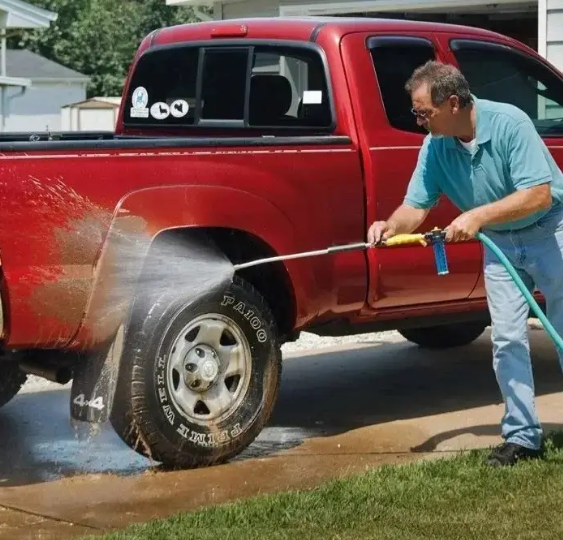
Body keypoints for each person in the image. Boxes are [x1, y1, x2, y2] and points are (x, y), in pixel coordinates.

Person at [368, 60, 563, 467]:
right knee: (508, 339)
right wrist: (390, 225)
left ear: (452, 102)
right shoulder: (435, 147)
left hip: (551, 232)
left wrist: (476, 217)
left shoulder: (510, 124)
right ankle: (523, 437)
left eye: (423, 112)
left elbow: (539, 195)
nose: (419, 121)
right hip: (500, 244)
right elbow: (415, 206)